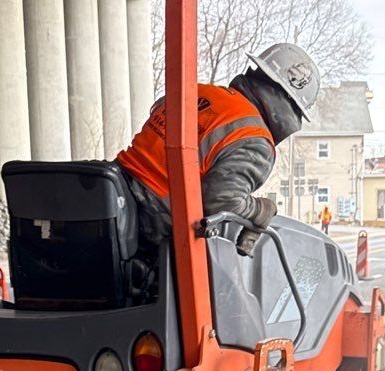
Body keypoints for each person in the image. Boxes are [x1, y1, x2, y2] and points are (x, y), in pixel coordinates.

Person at [115, 44, 320, 247]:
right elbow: (222, 201)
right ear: (290, 110)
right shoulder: (255, 138)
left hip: (116, 194)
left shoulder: (199, 92)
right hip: (153, 226)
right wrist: (259, 211)